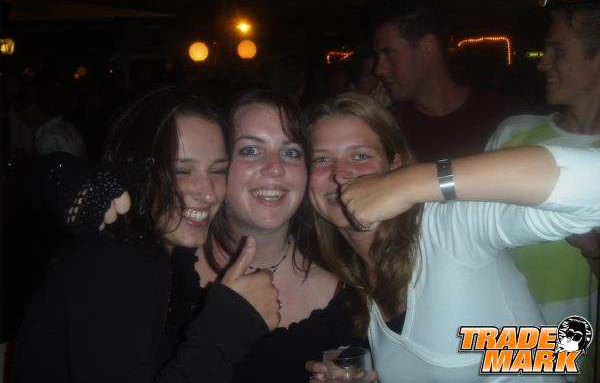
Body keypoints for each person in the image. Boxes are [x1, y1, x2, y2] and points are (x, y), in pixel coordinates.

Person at [305, 92, 600, 382]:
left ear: (393, 165)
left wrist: (412, 182)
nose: (340, 173)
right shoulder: (352, 283)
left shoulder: (449, 226)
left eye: (360, 155)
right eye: (321, 159)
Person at [14, 86, 280, 383]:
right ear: (135, 172)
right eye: (181, 171)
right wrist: (232, 324)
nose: (207, 193)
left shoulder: (171, 256)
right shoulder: (122, 261)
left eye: (218, 171)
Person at [195, 90, 353, 382]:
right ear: (220, 165)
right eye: (250, 151)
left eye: (291, 152)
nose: (275, 168)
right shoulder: (167, 271)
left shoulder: (343, 297)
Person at [486, 1, 600, 383]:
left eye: (558, 50)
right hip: (491, 345)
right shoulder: (514, 134)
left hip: (570, 357)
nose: (542, 63)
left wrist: (594, 249)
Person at [371, 0, 527, 162]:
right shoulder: (390, 128)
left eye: (388, 54)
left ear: (427, 47)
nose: (379, 69)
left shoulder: (506, 114)